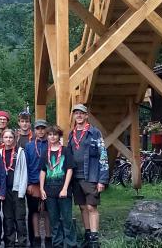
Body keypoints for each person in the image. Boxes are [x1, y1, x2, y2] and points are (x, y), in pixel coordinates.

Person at [68, 104, 108, 248]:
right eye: (76, 113)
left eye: (81, 113)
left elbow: (103, 156)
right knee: (82, 207)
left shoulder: (95, 133)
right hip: (75, 177)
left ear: (86, 116)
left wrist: (102, 179)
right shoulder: (71, 134)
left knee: (92, 207)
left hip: (90, 176)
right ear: (73, 116)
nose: (78, 115)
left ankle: (94, 240)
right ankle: (87, 235)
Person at [41, 125, 77, 248]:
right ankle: (57, 244)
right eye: (50, 134)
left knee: (67, 219)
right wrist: (41, 189)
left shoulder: (66, 151)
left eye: (55, 134)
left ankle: (71, 244)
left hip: (63, 190)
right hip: (49, 190)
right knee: (54, 220)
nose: (52, 137)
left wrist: (65, 188)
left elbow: (70, 169)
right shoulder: (45, 152)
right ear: (47, 136)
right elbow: (43, 171)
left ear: (59, 136)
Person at [1, 129, 29, 248]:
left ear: (14, 138)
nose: (8, 139)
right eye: (6, 137)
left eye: (10, 137)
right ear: (2, 139)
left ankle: (22, 242)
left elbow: (24, 172)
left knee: (20, 218)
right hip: (5, 190)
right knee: (8, 218)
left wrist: (22, 191)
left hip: (17, 189)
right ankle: (9, 242)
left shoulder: (20, 152)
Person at [25, 120, 50, 247]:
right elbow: (26, 166)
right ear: (34, 130)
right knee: (34, 211)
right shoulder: (29, 146)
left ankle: (48, 238)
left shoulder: (51, 143)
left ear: (46, 130)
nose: (40, 131)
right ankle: (35, 238)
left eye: (43, 128)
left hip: (48, 183)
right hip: (33, 183)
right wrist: (28, 183)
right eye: (38, 128)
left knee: (47, 211)